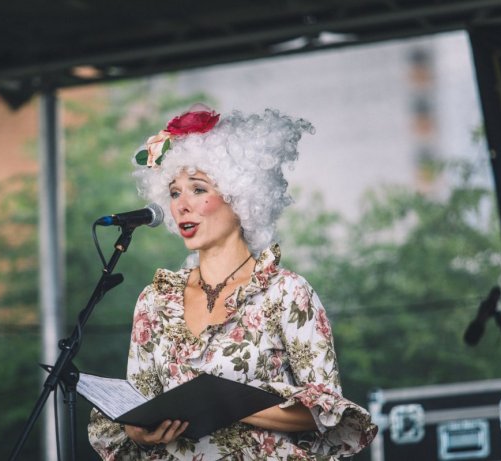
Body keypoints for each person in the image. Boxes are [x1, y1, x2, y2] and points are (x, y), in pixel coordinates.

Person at [88, 104, 377, 460]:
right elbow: (138, 404)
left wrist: (224, 402)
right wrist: (137, 429)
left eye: (197, 188)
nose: (181, 205)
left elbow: (327, 411)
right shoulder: (155, 301)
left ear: (240, 195)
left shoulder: (286, 293)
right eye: (174, 192)